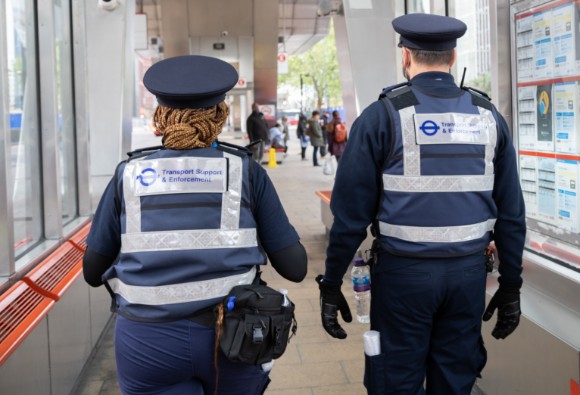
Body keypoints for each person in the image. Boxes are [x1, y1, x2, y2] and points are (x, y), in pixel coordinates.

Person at [315, 13, 526, 395]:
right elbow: (511, 213)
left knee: (394, 379)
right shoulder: (489, 117)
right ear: (453, 57)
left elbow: (349, 216)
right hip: (468, 277)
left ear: (406, 57)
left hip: (402, 279)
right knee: (455, 378)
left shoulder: (382, 116)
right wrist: (511, 284)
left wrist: (331, 284)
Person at [82, 55, 308, 395]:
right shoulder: (245, 172)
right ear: (219, 117)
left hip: (147, 344)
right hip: (233, 339)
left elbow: (91, 270)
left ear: (160, 117)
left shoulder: (127, 176)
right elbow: (295, 267)